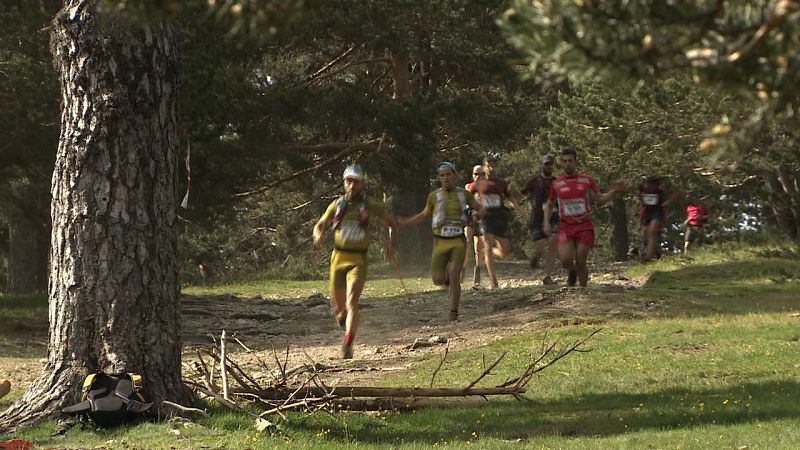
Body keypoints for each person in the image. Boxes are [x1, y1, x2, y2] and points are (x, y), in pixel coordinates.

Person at [313, 165, 397, 359]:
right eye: (348, 181)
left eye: (356, 181)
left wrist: (392, 243)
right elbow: (320, 224)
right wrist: (318, 236)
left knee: (352, 301)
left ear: (363, 184)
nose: (352, 185)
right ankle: (346, 323)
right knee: (338, 309)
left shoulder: (371, 205)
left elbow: (391, 224)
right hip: (338, 259)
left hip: (358, 259)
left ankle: (348, 343)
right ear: (344, 183)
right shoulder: (336, 205)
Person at [398, 162, 484, 321]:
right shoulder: (434, 196)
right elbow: (424, 215)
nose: (445, 178)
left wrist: (474, 218)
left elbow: (481, 209)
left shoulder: (463, 194)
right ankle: (446, 280)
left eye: (448, 174)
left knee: (454, 274)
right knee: (438, 280)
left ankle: (453, 312)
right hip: (440, 242)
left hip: (458, 240)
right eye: (442, 175)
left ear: (455, 176)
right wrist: (405, 222)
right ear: (438, 178)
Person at [543, 147, 624, 287]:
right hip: (565, 226)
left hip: (584, 225)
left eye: (570, 161)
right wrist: (546, 223)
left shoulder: (586, 180)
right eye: (564, 161)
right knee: (565, 260)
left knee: (581, 260)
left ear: (576, 162)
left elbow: (599, 199)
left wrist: (614, 191)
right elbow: (550, 205)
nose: (567, 163)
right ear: (561, 163)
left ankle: (583, 291)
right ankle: (571, 271)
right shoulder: (557, 183)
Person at [469, 153, 517, 289]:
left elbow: (510, 198)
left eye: (493, 165)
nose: (491, 168)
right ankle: (493, 281)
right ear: (485, 167)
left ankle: (489, 253)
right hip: (486, 218)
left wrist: (516, 207)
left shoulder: (501, 183)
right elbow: (468, 198)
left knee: (504, 252)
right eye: (489, 165)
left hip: (500, 218)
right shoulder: (478, 184)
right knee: (488, 248)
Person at [521, 154, 559, 285]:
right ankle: (535, 257)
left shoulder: (557, 181)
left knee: (553, 241)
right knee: (540, 248)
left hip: (554, 217)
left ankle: (547, 275)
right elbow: (523, 193)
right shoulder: (534, 181)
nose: (548, 167)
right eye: (546, 164)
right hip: (537, 218)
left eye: (550, 164)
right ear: (541, 165)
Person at [637, 176, 677, 262]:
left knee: (652, 232)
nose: (650, 187)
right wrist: (638, 202)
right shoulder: (642, 190)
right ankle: (657, 254)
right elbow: (638, 199)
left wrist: (668, 202)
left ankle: (648, 256)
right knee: (648, 233)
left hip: (657, 213)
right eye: (648, 184)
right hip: (646, 214)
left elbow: (666, 203)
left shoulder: (660, 193)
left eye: (653, 185)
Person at [463, 164, 486, 288]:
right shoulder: (468, 186)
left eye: (481, 174)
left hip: (481, 218)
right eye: (476, 174)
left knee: (478, 248)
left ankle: (477, 274)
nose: (479, 176)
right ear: (473, 175)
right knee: (466, 242)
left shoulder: (488, 188)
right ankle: (462, 270)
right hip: (469, 217)